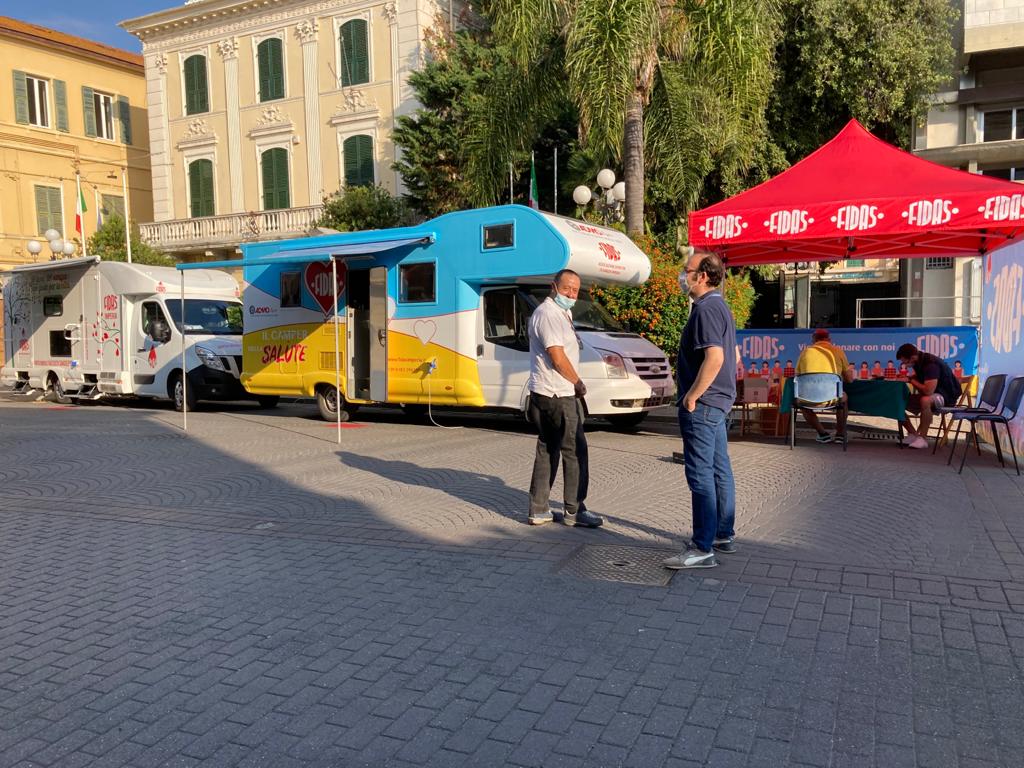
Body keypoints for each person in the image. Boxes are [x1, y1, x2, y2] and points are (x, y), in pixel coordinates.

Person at [664, 250, 737, 570]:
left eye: (687, 269)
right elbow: (733, 356)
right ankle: (722, 534)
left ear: (703, 276)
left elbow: (716, 358)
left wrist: (692, 396)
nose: (683, 274)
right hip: (717, 402)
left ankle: (701, 547)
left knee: (700, 475)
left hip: (704, 404)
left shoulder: (706, 309)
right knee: (719, 469)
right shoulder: (720, 307)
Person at [525, 269, 603, 528]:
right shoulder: (548, 314)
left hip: (546, 391)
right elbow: (557, 357)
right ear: (554, 286)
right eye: (567, 288)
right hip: (557, 393)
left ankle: (539, 510)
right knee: (575, 451)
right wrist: (577, 382)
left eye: (575, 290)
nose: (571, 294)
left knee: (548, 448)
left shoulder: (561, 313)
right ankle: (575, 510)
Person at [795, 329, 854, 443]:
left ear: (813, 340)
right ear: (829, 339)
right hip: (832, 398)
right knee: (843, 398)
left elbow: (797, 376)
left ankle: (822, 434)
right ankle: (840, 434)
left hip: (809, 397)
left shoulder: (805, 352)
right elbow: (849, 380)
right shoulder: (838, 351)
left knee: (800, 400)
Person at [896, 343, 959, 450]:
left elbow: (928, 391)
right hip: (934, 393)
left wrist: (910, 380)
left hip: (946, 397)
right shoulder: (919, 361)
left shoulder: (931, 364)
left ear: (912, 357)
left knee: (925, 400)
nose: (904, 364)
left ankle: (923, 439)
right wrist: (908, 377)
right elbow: (922, 377)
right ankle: (913, 434)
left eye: (905, 361)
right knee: (896, 401)